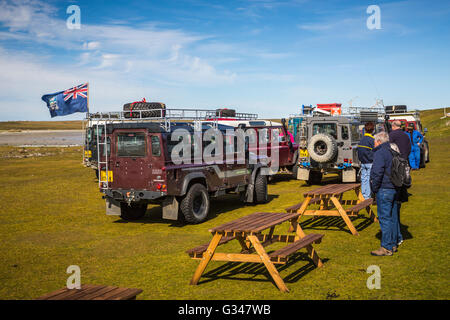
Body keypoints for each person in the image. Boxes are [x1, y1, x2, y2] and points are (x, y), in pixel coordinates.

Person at [370, 132, 399, 256]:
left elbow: (377, 173)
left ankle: (386, 247)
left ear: (379, 142)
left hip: (384, 188)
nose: (374, 144)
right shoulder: (393, 150)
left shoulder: (380, 152)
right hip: (395, 187)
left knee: (384, 218)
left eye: (375, 142)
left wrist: (374, 189)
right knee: (392, 217)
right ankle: (392, 243)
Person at [357, 122, 375, 199]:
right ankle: (368, 196)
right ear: (373, 130)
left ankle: (364, 195)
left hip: (363, 163)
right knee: (369, 179)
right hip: (370, 162)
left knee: (364, 179)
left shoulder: (361, 140)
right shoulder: (372, 140)